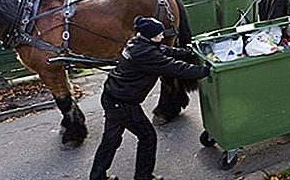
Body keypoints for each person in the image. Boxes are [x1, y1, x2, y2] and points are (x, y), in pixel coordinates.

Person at [90, 17, 210, 180]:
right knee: (147, 137)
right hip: (123, 102)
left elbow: (164, 50)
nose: (162, 37)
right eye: (159, 35)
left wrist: (188, 53)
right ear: (151, 36)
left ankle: (97, 176)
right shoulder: (146, 54)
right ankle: (143, 177)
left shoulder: (138, 42)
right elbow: (174, 68)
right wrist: (203, 71)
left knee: (111, 139)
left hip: (112, 96)